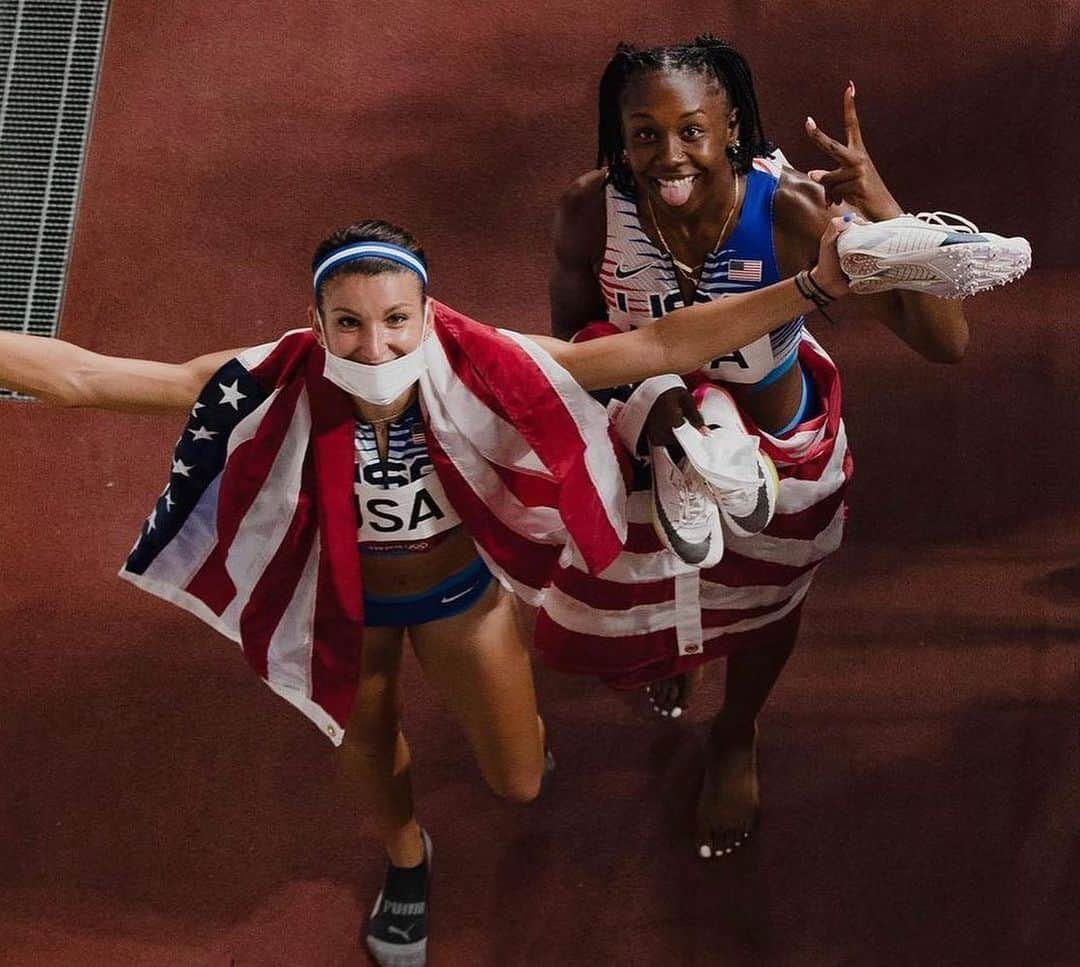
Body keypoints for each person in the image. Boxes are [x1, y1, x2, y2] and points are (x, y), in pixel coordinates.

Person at [0, 213, 861, 964]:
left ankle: (505, 752)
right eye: (348, 325)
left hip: (458, 596)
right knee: (367, 743)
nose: (374, 348)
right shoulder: (268, 377)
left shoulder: (489, 365)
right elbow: (85, 375)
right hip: (342, 604)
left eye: (395, 323)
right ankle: (407, 858)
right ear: (316, 321)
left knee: (520, 778)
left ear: (426, 313)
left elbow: (663, 345)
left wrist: (812, 287)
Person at [543, 35, 998, 860]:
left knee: (763, 603)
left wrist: (879, 200)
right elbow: (574, 338)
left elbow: (947, 340)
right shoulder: (591, 208)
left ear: (732, 131)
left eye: (691, 131)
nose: (667, 155)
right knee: (656, 568)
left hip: (777, 450)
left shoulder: (788, 209)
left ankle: (736, 731)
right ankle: (682, 560)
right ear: (619, 137)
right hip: (657, 432)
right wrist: (645, 392)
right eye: (643, 134)